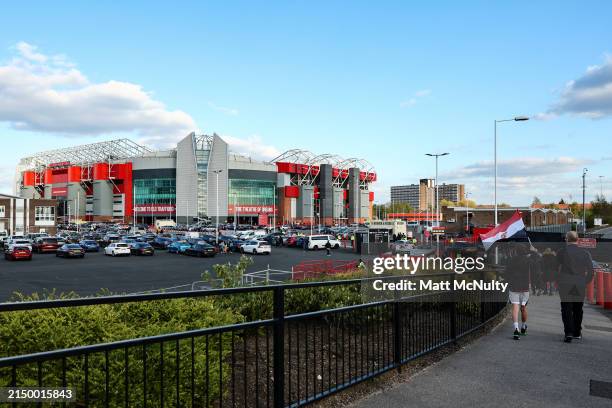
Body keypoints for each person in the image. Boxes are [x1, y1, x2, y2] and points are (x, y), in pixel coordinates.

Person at [556, 231, 594, 343]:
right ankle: (577, 332)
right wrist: (585, 282)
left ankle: (568, 333)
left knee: (566, 308)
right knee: (578, 309)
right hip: (579, 283)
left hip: (565, 283)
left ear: (566, 239)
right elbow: (591, 271)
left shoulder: (561, 252)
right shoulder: (585, 253)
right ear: (578, 240)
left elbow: (554, 268)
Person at [505, 242, 531, 340]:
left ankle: (516, 329)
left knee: (515, 307)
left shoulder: (511, 260)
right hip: (524, 287)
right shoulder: (528, 260)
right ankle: (523, 326)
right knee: (523, 307)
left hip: (514, 286)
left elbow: (507, 273)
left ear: (516, 251)